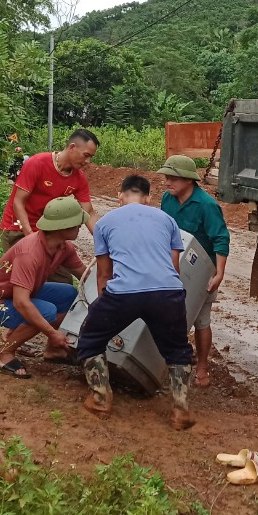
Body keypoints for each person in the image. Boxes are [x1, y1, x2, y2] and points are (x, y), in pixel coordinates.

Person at [77, 175, 196, 430]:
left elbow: (104, 274)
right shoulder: (167, 220)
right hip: (167, 292)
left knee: (90, 338)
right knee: (177, 350)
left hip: (124, 294)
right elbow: (174, 267)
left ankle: (100, 399)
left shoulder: (105, 223)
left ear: (120, 196)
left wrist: (102, 310)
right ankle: (181, 411)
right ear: (149, 198)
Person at [0, 196, 88, 379]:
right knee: (46, 311)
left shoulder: (63, 247)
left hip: (22, 293)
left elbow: (84, 275)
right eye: (76, 223)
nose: (81, 226)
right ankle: (4, 354)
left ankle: (53, 351)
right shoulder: (30, 253)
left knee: (69, 294)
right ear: (62, 227)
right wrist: (52, 332)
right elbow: (21, 303)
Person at [158, 154, 228, 389]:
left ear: (188, 180)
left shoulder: (206, 205)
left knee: (201, 319)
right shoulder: (167, 199)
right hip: (172, 267)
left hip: (200, 270)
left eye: (173, 178)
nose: (167, 182)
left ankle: (202, 366)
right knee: (169, 315)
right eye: (166, 177)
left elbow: (220, 239)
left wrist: (218, 274)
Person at [0, 129, 99, 249]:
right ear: (72, 147)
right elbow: (18, 202)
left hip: (46, 231)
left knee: (68, 264)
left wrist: (103, 238)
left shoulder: (79, 179)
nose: (88, 161)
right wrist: (30, 236)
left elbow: (88, 211)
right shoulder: (37, 163)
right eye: (86, 155)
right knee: (25, 266)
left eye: (91, 157)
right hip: (17, 228)